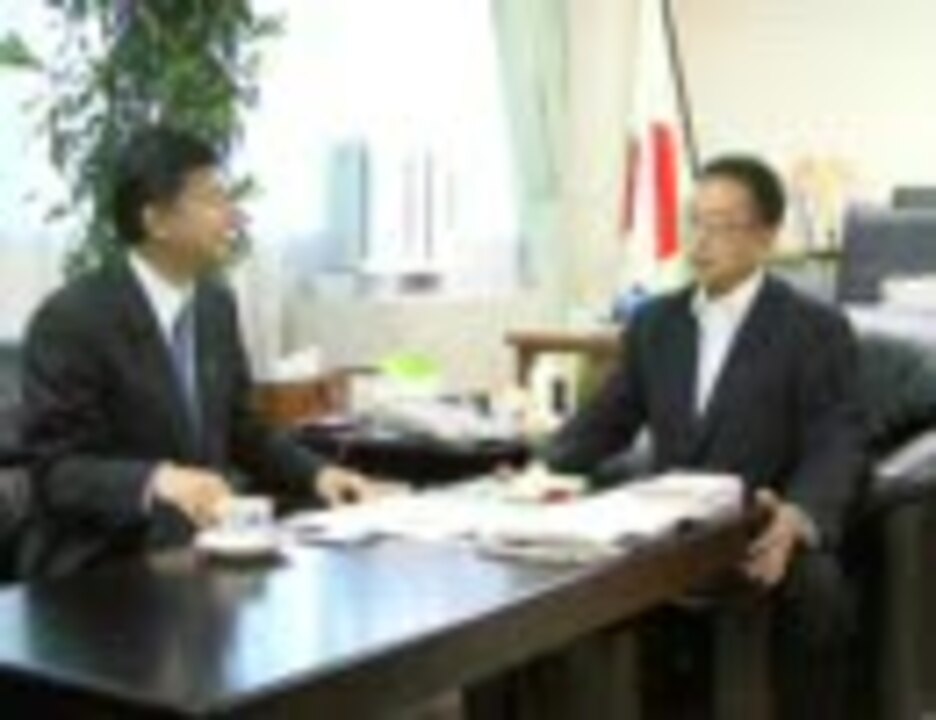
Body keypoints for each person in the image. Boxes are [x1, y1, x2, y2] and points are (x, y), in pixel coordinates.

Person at [542, 155, 866, 719]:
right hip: (673, 531)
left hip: (763, 525)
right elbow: (606, 421)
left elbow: (836, 439)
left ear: (765, 237)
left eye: (721, 224)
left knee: (820, 593)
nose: (700, 239)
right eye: (694, 220)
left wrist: (800, 515)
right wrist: (539, 468)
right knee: (559, 582)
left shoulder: (814, 327)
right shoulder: (655, 323)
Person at [21, 125, 384, 578]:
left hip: (202, 552)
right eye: (212, 200)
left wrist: (319, 474)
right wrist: (156, 480)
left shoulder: (215, 306)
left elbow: (244, 431)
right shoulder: (73, 319)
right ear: (156, 221)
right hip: (103, 567)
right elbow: (57, 472)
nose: (233, 216)